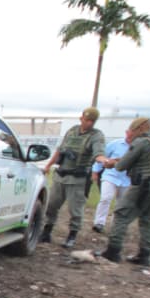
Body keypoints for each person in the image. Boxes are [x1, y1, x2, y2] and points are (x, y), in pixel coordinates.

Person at [99, 116, 150, 266]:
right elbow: (146, 159)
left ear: (140, 128)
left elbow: (122, 166)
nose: (131, 134)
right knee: (148, 219)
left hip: (144, 185)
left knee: (121, 214)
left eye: (133, 130)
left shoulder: (142, 142)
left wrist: (111, 163)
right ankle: (145, 256)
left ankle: (113, 251)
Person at [41, 106, 106, 248]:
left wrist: (103, 160)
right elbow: (60, 150)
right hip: (61, 175)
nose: (88, 123)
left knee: (75, 210)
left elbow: (98, 153)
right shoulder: (72, 131)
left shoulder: (96, 136)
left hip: (78, 179)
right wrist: (48, 165)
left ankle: (72, 235)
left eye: (92, 121)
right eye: (86, 120)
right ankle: (47, 231)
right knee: (51, 205)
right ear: (81, 118)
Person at [91, 127, 133, 233]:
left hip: (127, 178)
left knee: (122, 203)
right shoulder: (115, 144)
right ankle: (99, 223)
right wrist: (95, 171)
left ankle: (116, 225)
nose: (130, 135)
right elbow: (102, 157)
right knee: (105, 198)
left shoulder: (136, 147)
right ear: (126, 132)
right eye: (129, 132)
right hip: (111, 175)